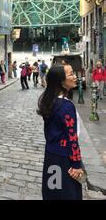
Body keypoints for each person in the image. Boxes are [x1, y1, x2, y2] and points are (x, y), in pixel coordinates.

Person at [38, 65, 84, 200]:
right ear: (61, 81)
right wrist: (76, 164)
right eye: (70, 74)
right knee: (67, 194)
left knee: (53, 192)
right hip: (65, 160)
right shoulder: (66, 106)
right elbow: (72, 137)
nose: (75, 76)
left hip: (52, 156)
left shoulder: (49, 101)